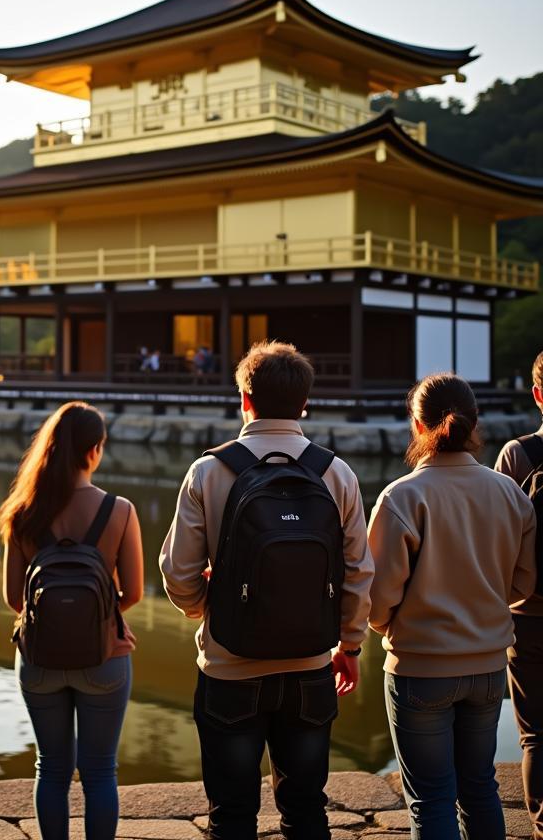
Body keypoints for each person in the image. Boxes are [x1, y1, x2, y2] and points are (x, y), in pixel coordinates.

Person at [160, 340, 373, 840]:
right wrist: (351, 643)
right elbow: (359, 572)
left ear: (244, 399)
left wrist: (203, 607)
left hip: (230, 666)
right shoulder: (335, 472)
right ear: (304, 404)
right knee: (306, 812)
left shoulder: (209, 471)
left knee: (231, 815)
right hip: (310, 666)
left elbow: (177, 571)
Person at [369, 373, 536, 840]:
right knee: (479, 788)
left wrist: (388, 627)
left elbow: (377, 600)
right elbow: (524, 584)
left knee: (430, 798)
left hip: (419, 667)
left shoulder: (402, 496)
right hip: (487, 668)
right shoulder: (509, 493)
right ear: (474, 423)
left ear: (416, 425)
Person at [0, 402, 144, 840]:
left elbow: (13, 598)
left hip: (39, 660)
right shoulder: (119, 510)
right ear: (94, 450)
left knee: (52, 767)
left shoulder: (21, 513)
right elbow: (133, 593)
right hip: (105, 658)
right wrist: (99, 618)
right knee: (100, 771)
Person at [495, 351, 543, 839]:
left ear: (536, 395)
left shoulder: (518, 454)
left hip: (528, 614)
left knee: (535, 734)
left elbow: (498, 539)